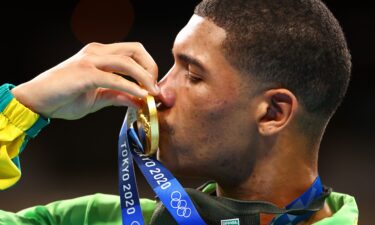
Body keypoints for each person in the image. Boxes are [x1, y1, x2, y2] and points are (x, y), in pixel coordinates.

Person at [0, 0, 358, 224]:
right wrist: (24, 105)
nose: (158, 91)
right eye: (172, 65)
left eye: (194, 75)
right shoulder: (96, 220)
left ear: (272, 113)